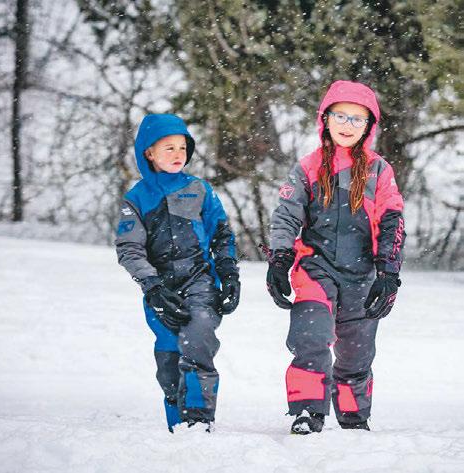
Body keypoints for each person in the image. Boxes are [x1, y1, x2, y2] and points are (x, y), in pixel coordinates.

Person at [266, 80, 405, 435]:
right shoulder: (308, 167)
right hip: (316, 268)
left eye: (357, 119)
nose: (347, 124)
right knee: (311, 335)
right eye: (340, 115)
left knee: (357, 352)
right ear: (325, 118)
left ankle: (354, 417)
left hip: (363, 274)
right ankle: (307, 411)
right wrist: (280, 259)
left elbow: (392, 221)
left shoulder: (379, 170)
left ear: (369, 126)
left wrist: (388, 274)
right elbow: (286, 215)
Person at [115, 113, 240, 433]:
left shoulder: (200, 190)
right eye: (168, 148)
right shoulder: (137, 199)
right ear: (149, 153)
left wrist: (228, 272)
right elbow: (129, 248)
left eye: (182, 148)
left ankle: (198, 416)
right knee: (170, 351)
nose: (177, 154)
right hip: (161, 286)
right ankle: (177, 417)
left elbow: (222, 235)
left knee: (197, 337)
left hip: (200, 281)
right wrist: (152, 286)